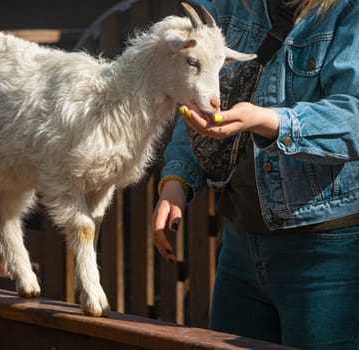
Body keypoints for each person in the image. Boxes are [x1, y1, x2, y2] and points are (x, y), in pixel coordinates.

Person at [152, 0, 359, 348]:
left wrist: (272, 122)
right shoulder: (226, 6)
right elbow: (196, 105)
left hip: (327, 254)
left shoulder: (347, 9)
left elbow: (353, 116)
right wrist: (177, 183)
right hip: (240, 246)